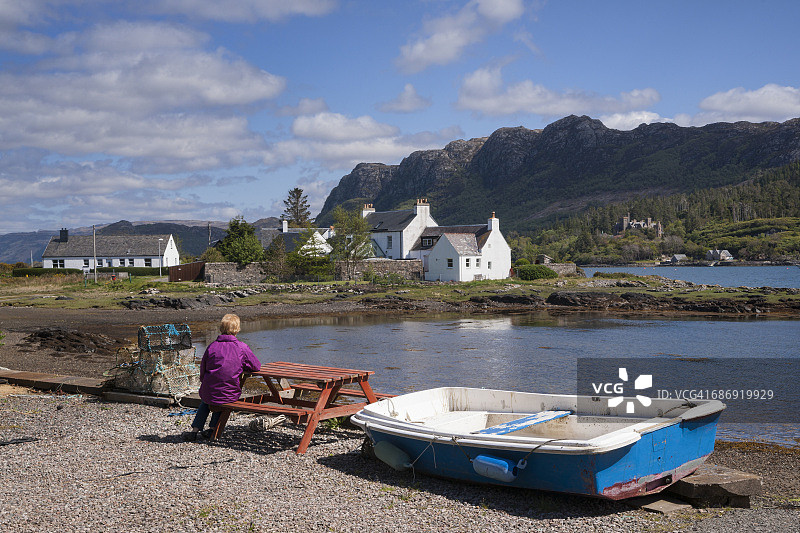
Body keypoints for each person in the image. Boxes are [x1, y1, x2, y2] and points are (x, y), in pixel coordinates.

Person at [184, 313, 261, 441]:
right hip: (229, 393)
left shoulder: (212, 346)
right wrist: (242, 367)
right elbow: (256, 366)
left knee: (207, 400)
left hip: (209, 390)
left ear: (221, 328)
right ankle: (213, 429)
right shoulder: (241, 347)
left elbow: (202, 370)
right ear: (237, 329)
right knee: (224, 395)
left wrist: (205, 383)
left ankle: (195, 430)